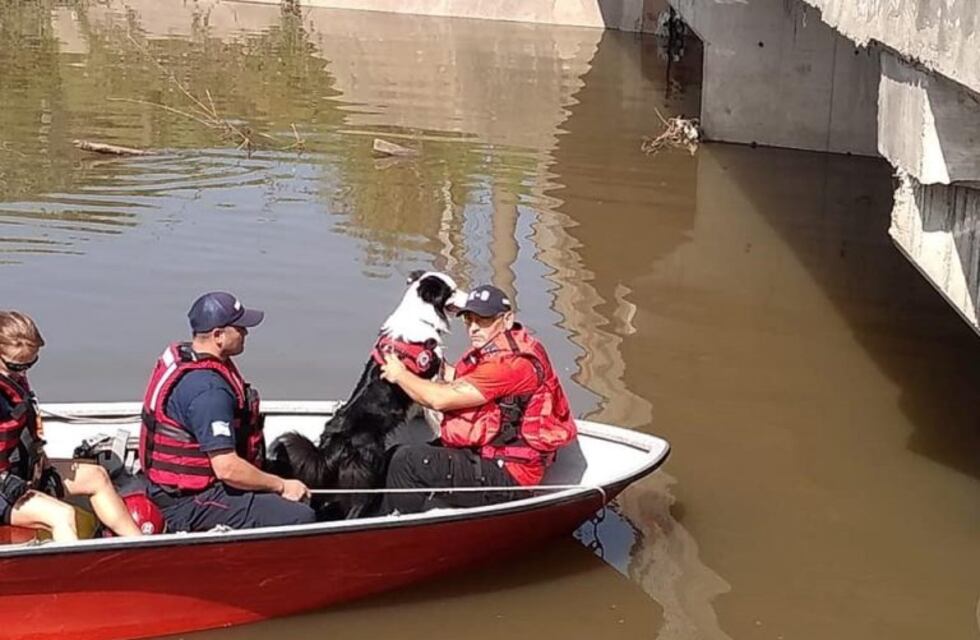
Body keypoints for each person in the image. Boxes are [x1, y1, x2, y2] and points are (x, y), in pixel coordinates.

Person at [379, 284, 577, 513]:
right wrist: (428, 358)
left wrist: (399, 374)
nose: (473, 328)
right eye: (469, 320)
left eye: (483, 320)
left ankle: (395, 532)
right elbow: (462, 380)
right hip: (485, 453)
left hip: (509, 475)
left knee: (407, 462)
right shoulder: (500, 349)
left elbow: (439, 399)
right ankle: (372, 514)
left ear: (507, 319)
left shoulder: (513, 365)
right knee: (392, 455)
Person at [139, 292, 315, 531]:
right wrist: (282, 486)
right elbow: (228, 469)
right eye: (240, 327)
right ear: (218, 335)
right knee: (301, 517)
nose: (246, 333)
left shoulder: (188, 358)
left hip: (168, 488)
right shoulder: (209, 391)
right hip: (188, 502)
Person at [0, 311, 143, 541]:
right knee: (62, 515)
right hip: (4, 488)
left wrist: (42, 466)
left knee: (97, 476)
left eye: (31, 363)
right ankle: (72, 574)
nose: (24, 372)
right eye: (17, 367)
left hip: (23, 472)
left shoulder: (13, 380)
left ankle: (141, 548)